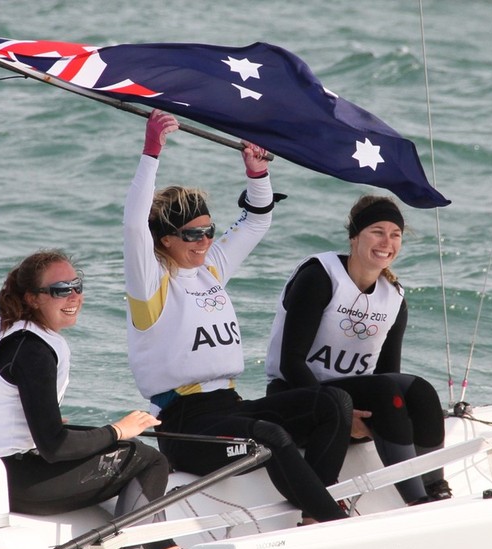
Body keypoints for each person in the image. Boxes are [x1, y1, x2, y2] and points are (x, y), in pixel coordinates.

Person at [122, 109, 353, 524]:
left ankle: (315, 510)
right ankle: (329, 517)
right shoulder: (151, 283)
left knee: (334, 402)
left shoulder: (210, 268)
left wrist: (257, 174)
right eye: (193, 234)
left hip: (232, 404)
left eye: (209, 231)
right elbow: (134, 225)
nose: (205, 241)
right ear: (167, 239)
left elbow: (256, 221)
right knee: (270, 436)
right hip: (185, 425)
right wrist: (152, 150)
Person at [0, 249, 185, 549]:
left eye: (77, 285)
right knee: (147, 459)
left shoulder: (0, 329)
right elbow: (54, 446)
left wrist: (111, 435)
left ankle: (163, 548)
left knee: (120, 442)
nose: (74, 296)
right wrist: (117, 430)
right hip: (16, 482)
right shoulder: (33, 350)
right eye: (60, 290)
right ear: (32, 298)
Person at [265, 194, 452, 505]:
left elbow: (388, 372)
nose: (387, 242)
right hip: (294, 399)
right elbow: (291, 362)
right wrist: (339, 415)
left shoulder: (393, 297)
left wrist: (387, 420)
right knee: (383, 389)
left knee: (420, 390)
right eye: (377, 231)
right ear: (354, 236)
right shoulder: (319, 277)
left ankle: (437, 488)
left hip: (352, 403)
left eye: (395, 234)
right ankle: (416, 500)